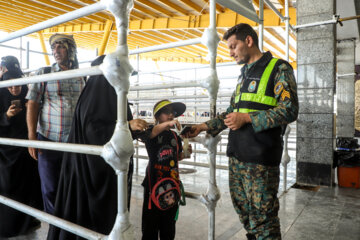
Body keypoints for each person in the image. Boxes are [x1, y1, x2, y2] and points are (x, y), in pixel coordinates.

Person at [185, 23, 298, 240]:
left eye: (233, 46)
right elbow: (231, 113)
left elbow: (289, 109)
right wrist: (202, 126)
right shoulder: (243, 76)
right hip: (237, 156)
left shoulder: (278, 68)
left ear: (249, 41)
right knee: (244, 212)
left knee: (264, 218)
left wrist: (247, 118)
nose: (230, 53)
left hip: (261, 161)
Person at [47, 55, 149, 240]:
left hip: (109, 169)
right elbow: (93, 131)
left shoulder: (117, 94)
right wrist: (127, 126)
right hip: (89, 170)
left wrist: (140, 129)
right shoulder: (97, 94)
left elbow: (122, 129)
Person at [26, 33, 84, 214]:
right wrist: (31, 137)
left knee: (72, 186)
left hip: (73, 143)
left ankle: (69, 227)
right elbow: (32, 104)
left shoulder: (82, 76)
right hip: (48, 141)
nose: (56, 51)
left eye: (61, 46)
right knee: (51, 188)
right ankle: (55, 226)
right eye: (54, 47)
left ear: (71, 49)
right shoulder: (44, 74)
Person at [0, 56, 43, 237]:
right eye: (10, 84)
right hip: (5, 152)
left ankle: (27, 222)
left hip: (26, 150)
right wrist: (6, 116)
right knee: (7, 186)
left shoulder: (29, 94)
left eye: (17, 83)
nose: (14, 88)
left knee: (28, 187)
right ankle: (6, 226)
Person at [141, 99, 192, 240]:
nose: (171, 115)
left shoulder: (175, 136)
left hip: (172, 187)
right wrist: (167, 124)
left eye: (173, 113)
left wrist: (185, 153)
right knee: (150, 229)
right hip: (153, 187)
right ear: (157, 117)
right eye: (167, 112)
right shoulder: (152, 132)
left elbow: (176, 157)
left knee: (168, 229)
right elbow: (150, 134)